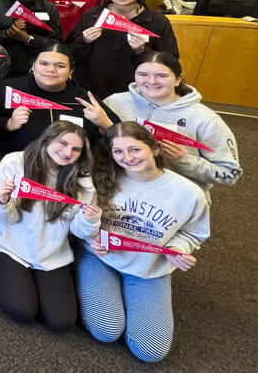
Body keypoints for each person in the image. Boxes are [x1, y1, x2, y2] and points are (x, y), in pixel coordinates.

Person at [79, 122, 210, 362]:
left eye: (135, 149)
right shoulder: (100, 179)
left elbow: (193, 233)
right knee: (106, 330)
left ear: (155, 149)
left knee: (150, 351)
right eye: (118, 151)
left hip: (149, 267)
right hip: (100, 258)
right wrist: (92, 235)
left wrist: (177, 249)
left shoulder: (189, 193)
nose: (127, 158)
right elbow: (79, 223)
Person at [0, 121, 100, 332]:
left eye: (76, 149)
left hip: (51, 253)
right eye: (62, 143)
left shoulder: (83, 183)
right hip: (9, 243)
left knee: (61, 322)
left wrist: (89, 219)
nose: (67, 152)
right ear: (47, 140)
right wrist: (2, 199)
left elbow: (79, 232)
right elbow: (5, 219)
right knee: (23, 310)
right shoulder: (15, 163)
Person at [103, 52, 241, 200]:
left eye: (161, 76)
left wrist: (184, 160)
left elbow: (230, 174)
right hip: (120, 192)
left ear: (178, 79)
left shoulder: (204, 119)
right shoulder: (114, 103)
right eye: (142, 74)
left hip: (175, 198)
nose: (152, 81)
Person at [0, 44, 116, 156]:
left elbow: (120, 138)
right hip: (17, 169)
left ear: (71, 72)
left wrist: (106, 125)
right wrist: (7, 124)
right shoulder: (8, 89)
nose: (51, 69)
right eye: (44, 63)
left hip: (68, 173)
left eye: (60, 66)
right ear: (33, 66)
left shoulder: (84, 99)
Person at [69, 0, 179, 99]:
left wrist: (142, 50)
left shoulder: (157, 21)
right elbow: (71, 54)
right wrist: (84, 41)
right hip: (91, 89)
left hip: (137, 93)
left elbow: (170, 60)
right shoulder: (92, 16)